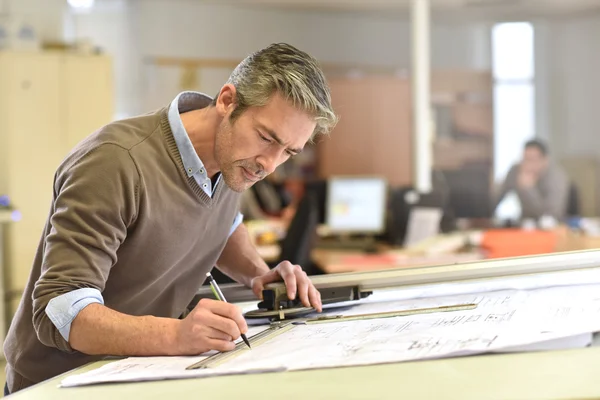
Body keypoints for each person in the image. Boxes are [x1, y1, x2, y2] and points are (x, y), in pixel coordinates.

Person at [3, 43, 338, 395]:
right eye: (267, 138)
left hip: (140, 371)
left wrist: (259, 275)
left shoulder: (233, 160)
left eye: (288, 151)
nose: (270, 163)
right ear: (227, 101)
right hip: (63, 384)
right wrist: (175, 335)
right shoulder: (115, 162)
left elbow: (224, 222)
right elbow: (59, 311)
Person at [493, 139, 570, 221]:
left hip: (551, 227)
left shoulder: (556, 177)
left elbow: (551, 215)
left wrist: (529, 190)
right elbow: (497, 197)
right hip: (523, 225)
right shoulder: (516, 171)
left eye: (532, 160)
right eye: (525, 159)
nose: (527, 165)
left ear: (545, 161)